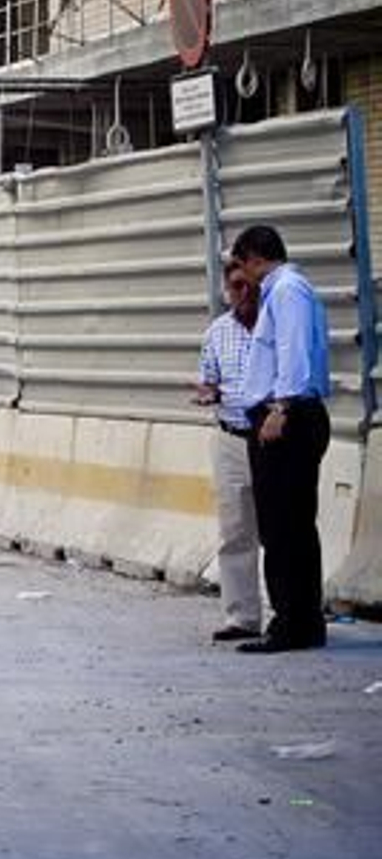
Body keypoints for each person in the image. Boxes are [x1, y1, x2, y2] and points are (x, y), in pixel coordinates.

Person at [232, 225, 331, 654]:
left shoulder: (287, 290)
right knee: (292, 524)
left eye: (242, 266)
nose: (244, 278)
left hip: (286, 418)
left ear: (255, 257)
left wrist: (280, 408)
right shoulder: (290, 288)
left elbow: (292, 351)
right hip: (290, 415)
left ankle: (292, 623)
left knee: (282, 526)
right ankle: (303, 621)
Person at [195, 258, 263, 643]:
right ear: (227, 291)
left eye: (250, 285)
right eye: (236, 286)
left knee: (281, 529)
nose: (244, 293)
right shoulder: (217, 333)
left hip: (270, 438)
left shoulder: (274, 329)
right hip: (230, 437)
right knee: (235, 530)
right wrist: (207, 393)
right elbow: (208, 380)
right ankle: (242, 617)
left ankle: (290, 613)